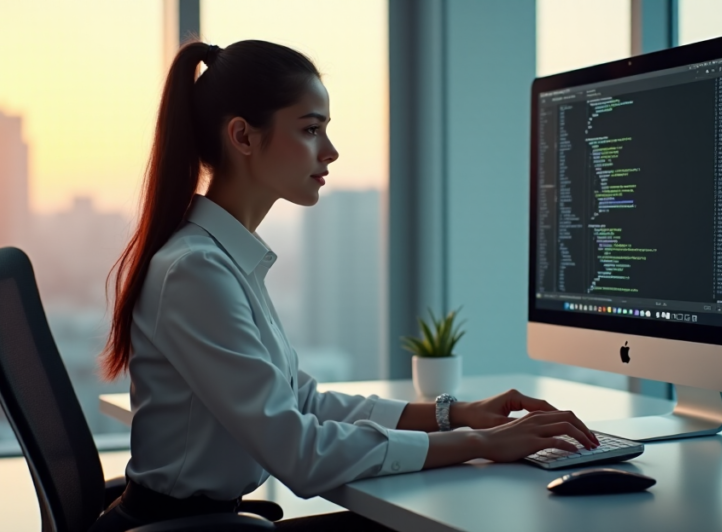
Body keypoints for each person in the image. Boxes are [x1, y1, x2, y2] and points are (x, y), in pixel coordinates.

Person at [90, 40, 599, 532]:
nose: (330, 151)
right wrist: (480, 444)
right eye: (311, 129)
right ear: (243, 136)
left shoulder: (223, 260)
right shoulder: (196, 272)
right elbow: (300, 453)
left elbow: (303, 403)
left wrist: (455, 414)